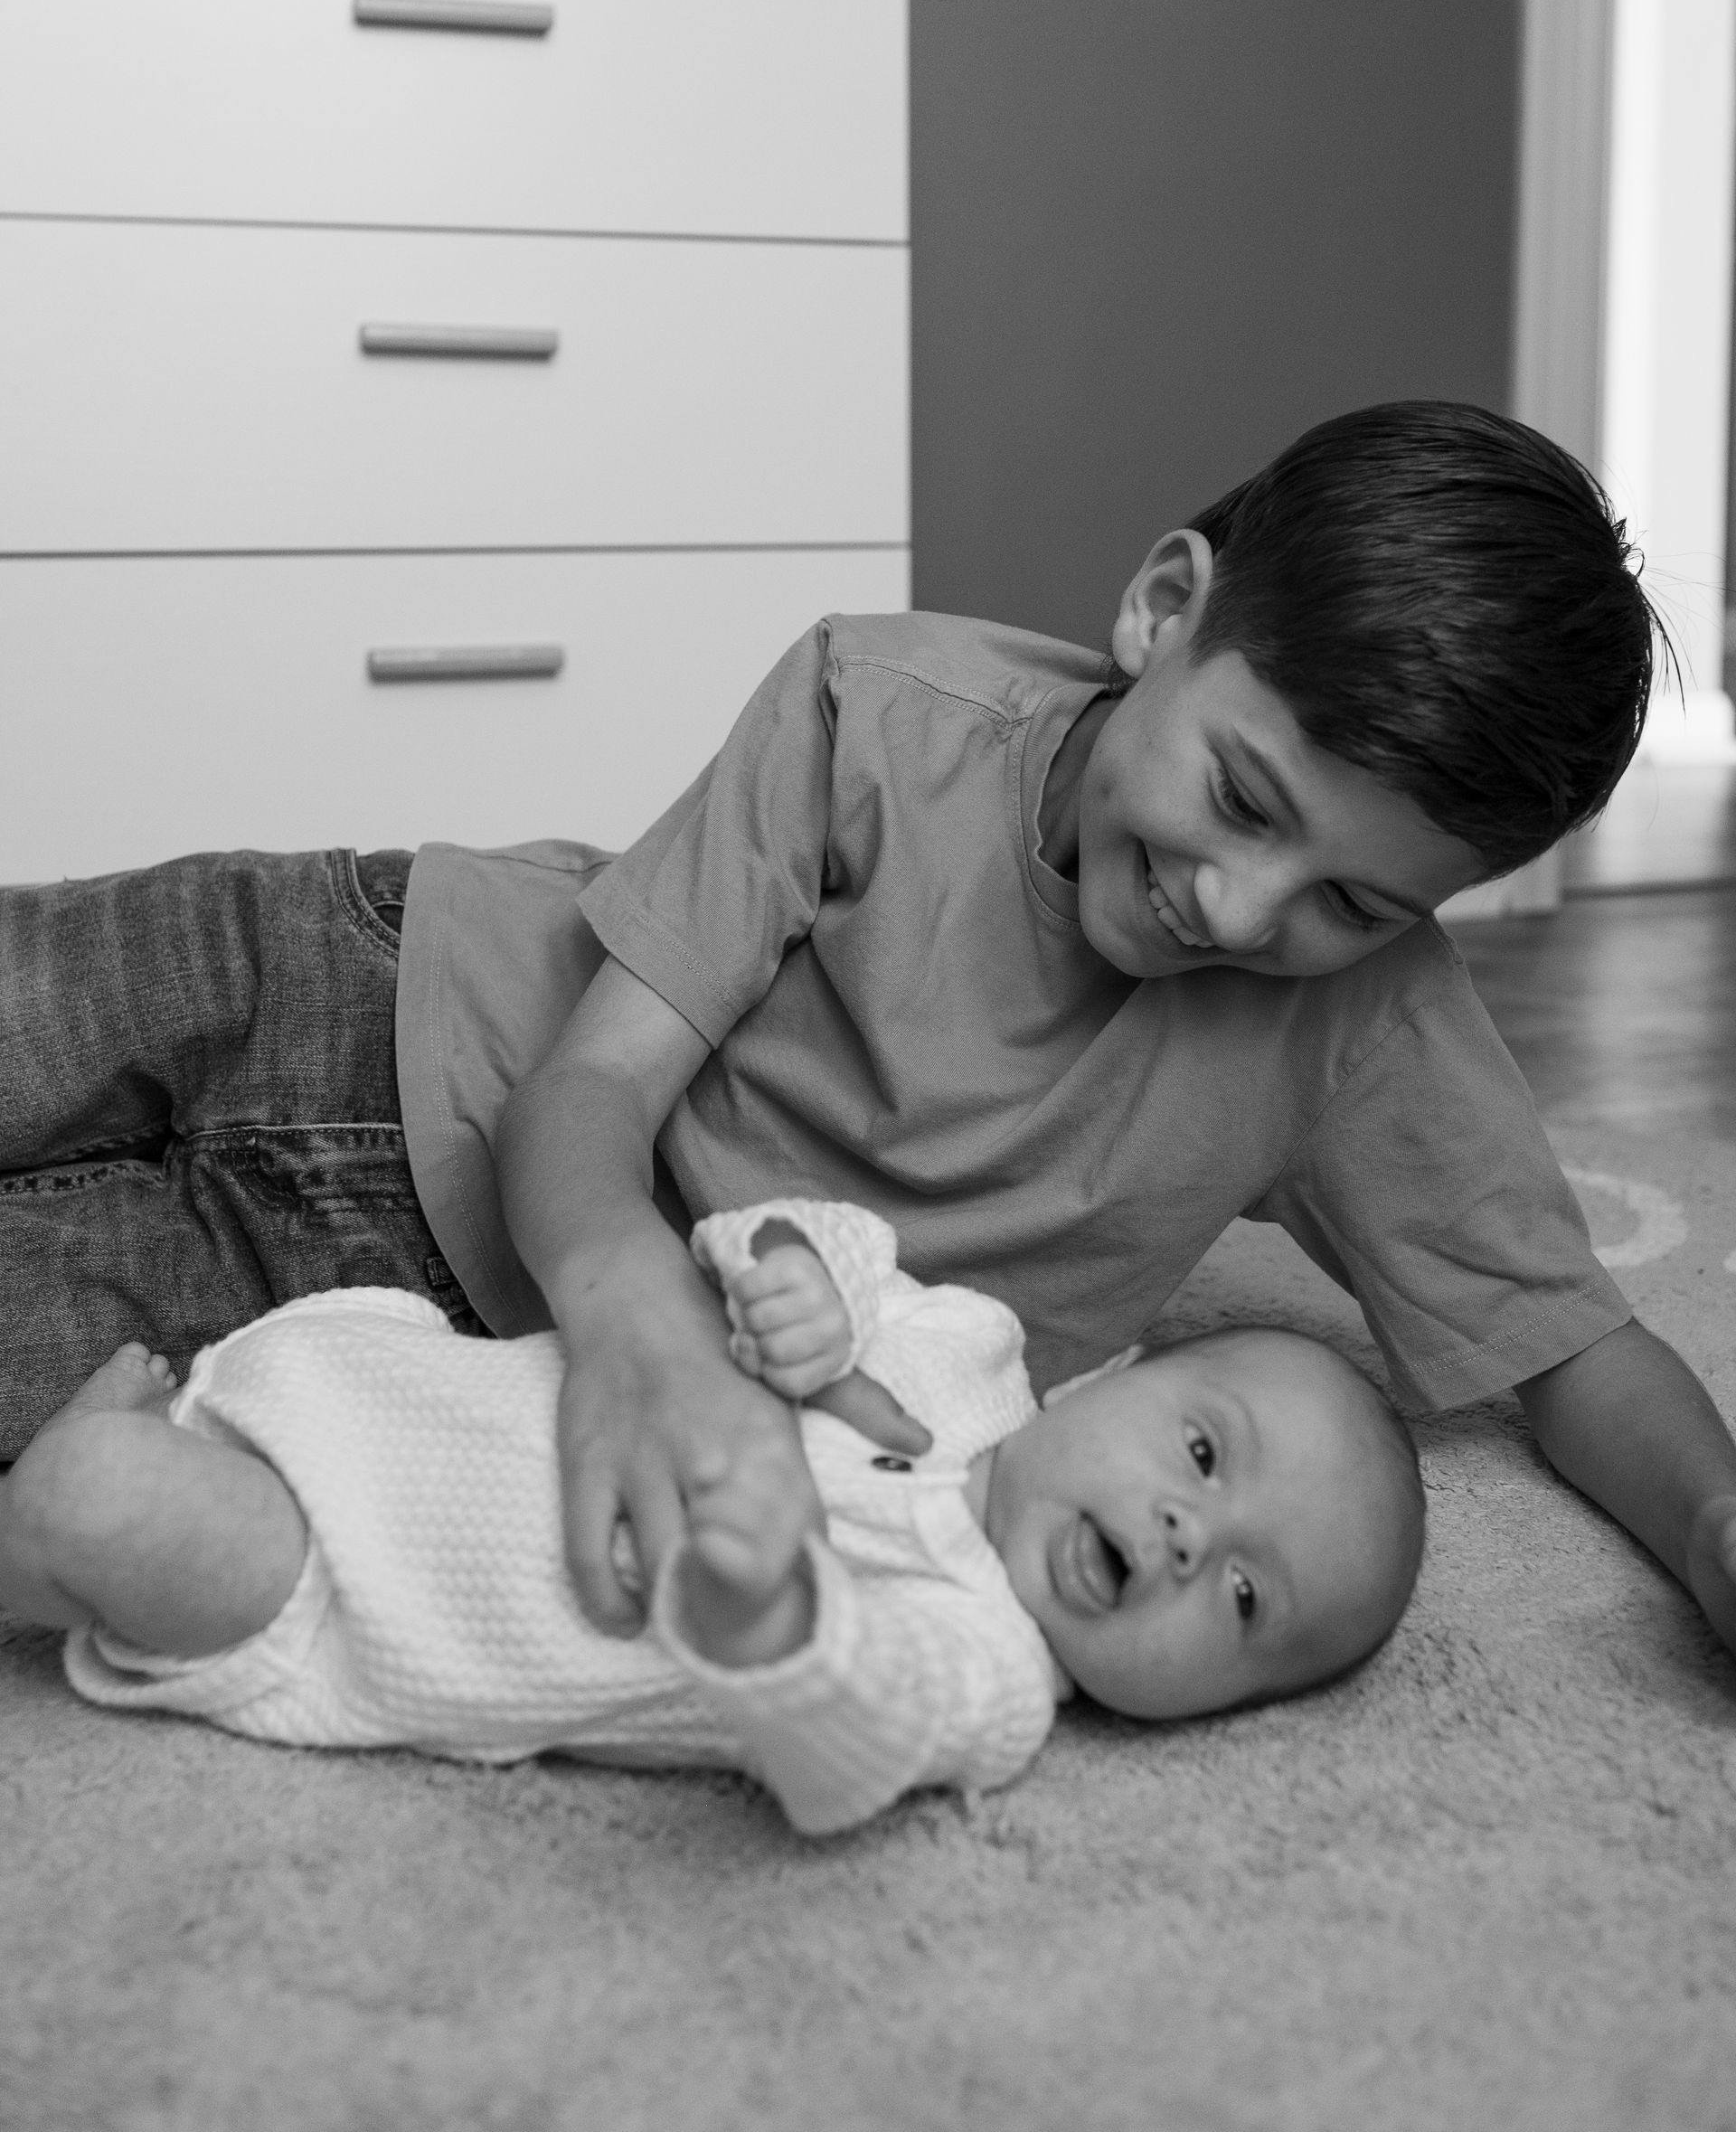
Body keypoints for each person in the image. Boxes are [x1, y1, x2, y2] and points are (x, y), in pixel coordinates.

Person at [5, 403, 1734, 1676]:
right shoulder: (876, 706)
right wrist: (646, 1334)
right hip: (360, 974)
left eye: (1356, 901)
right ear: (1162, 611)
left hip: (396, 1319)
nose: (1245, 905)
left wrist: (1718, 1530)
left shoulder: (1372, 1029)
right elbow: (587, 1088)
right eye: (1242, 797)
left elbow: (1569, 1345)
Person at [0, 1202, 1426, 1834]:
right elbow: (825, 1242)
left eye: (1246, 1601)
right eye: (1201, 1451)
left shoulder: (987, 1679)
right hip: (396, 1378)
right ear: (1111, 1375)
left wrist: (782, 1620)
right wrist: (789, 1272)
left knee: (89, 1503)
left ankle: (70, 1483)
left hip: (345, 1587)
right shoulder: (968, 1348)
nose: (1191, 1537)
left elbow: (853, 1738)